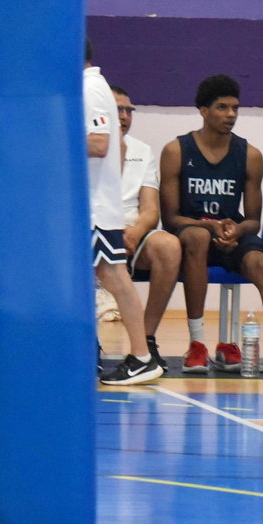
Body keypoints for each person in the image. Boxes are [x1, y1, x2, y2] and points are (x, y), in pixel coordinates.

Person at [161, 74, 263, 379]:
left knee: (260, 261)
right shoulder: (176, 151)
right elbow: (170, 218)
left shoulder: (251, 155)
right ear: (203, 111)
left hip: (231, 237)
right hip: (191, 236)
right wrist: (209, 227)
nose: (231, 114)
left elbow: (254, 220)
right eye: (222, 108)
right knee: (196, 237)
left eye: (235, 108)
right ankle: (196, 344)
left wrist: (236, 231)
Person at [85, 44, 163, 386]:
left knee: (115, 278)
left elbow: (99, 143)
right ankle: (134, 355)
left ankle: (142, 356)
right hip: (91, 206)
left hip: (95, 210)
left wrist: (44, 137)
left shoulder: (90, 89)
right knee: (105, 277)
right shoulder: (87, 87)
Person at [111, 85, 182, 373]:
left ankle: (146, 340)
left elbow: (151, 209)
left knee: (169, 245)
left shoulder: (142, 151)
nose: (125, 115)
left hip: (132, 232)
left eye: (129, 110)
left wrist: (135, 231)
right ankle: (87, 342)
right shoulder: (86, 145)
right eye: (118, 109)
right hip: (97, 228)